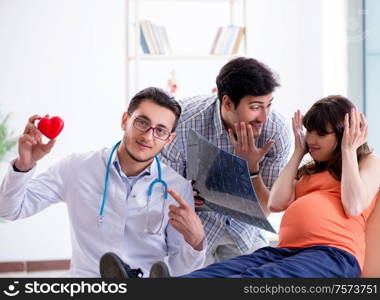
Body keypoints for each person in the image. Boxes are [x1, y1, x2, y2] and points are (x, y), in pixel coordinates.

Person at [149, 95, 380, 278]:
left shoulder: (367, 162)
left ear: (343, 134)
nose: (311, 139)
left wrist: (348, 150)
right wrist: (298, 152)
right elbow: (276, 202)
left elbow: (353, 205)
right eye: (309, 131)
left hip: (331, 255)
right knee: (214, 274)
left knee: (253, 280)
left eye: (321, 134)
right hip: (285, 251)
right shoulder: (310, 171)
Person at [0, 87, 206, 277]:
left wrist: (196, 242)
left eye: (160, 130)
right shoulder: (76, 168)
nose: (148, 136)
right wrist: (24, 165)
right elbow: (9, 210)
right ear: (125, 120)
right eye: (142, 122)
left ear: (168, 139)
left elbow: (182, 269)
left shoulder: (177, 188)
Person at [159, 57, 291, 265]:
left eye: (268, 105)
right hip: (195, 228)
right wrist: (186, 195)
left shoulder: (276, 131)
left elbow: (266, 208)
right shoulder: (182, 122)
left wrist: (251, 169)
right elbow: (166, 196)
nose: (264, 117)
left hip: (244, 231)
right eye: (255, 107)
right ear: (227, 103)